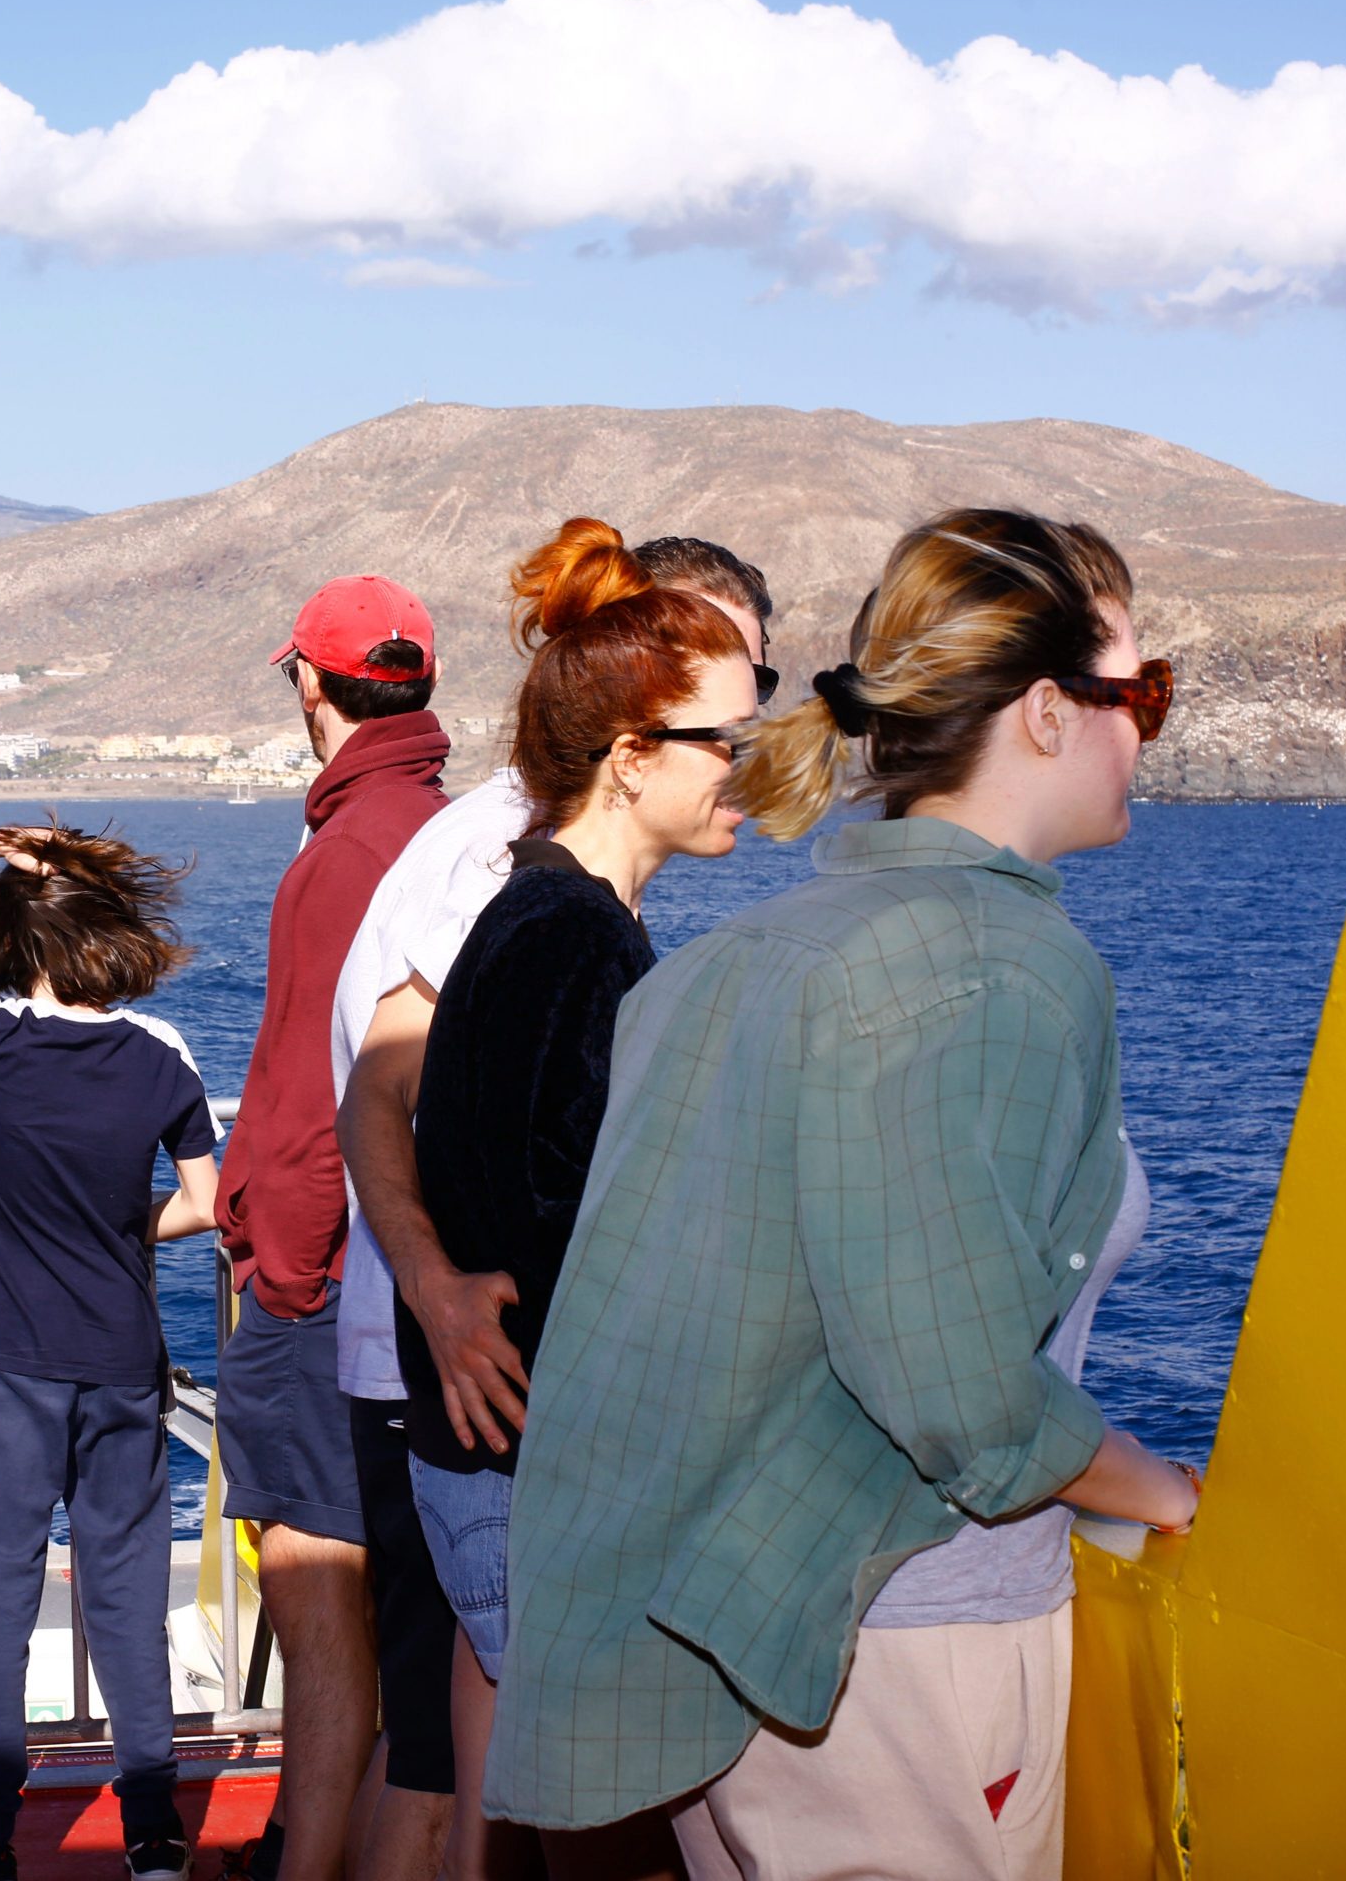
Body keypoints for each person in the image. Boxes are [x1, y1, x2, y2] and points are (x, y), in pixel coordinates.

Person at [488, 510, 1200, 1881]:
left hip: (726, 1642)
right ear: (1049, 713)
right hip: (900, 1651)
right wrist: (1166, 1490)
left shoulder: (737, 957)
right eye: (1143, 694)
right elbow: (962, 1400)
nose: (1146, 735)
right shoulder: (991, 965)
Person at [330, 526, 772, 1878]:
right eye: (724, 744)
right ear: (632, 756)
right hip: (539, 1475)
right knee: (601, 1831)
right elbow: (564, 1234)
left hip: (507, 1465)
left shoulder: (545, 913)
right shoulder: (569, 934)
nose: (746, 773)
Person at [0, 823, 220, 1881]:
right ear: (109, 936)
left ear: (16, 945)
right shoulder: (165, 1060)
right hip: (118, 1360)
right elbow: (204, 1205)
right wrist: (119, 1224)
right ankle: (153, 1833)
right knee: (123, 1594)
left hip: (7, 1366)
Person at [214, 576, 449, 1881]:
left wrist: (284, 1280)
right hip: (420, 1289)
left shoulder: (342, 854)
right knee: (406, 1634)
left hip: (329, 1296)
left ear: (311, 685)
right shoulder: (447, 830)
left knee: (320, 1613)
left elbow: (313, 1107)